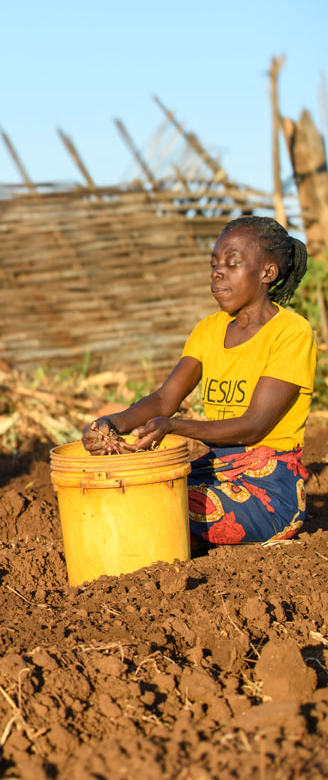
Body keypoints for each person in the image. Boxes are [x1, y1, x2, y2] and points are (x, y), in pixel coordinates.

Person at [83, 216, 316, 545]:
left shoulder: (291, 333)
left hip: (268, 491)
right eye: (214, 263)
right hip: (214, 470)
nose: (218, 272)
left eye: (232, 263)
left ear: (267, 273)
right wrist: (110, 423)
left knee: (159, 506)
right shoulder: (209, 330)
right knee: (133, 489)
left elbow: (255, 425)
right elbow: (165, 400)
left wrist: (174, 427)